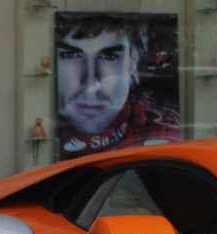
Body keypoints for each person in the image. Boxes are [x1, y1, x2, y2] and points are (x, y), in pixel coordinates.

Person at [55, 13, 180, 159]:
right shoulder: (35, 116)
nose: (91, 85)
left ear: (133, 62)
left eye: (109, 57)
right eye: (71, 55)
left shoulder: (162, 127)